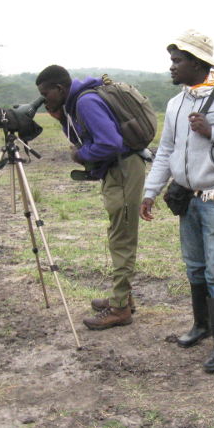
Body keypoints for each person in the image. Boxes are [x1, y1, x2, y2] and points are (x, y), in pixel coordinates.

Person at [139, 30, 214, 372]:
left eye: (178, 61)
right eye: (173, 60)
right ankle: (202, 325)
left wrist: (213, 132)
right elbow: (165, 150)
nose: (172, 67)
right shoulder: (175, 103)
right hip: (186, 198)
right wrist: (150, 191)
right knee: (194, 265)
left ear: (197, 63)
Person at [36, 65, 146, 330]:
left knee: (121, 238)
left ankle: (119, 309)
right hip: (118, 170)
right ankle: (123, 297)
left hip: (123, 170)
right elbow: (83, 136)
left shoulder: (85, 102)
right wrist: (61, 118)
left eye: (45, 94)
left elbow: (109, 142)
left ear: (60, 89)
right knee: (118, 233)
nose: (43, 100)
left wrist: (81, 156)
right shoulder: (77, 102)